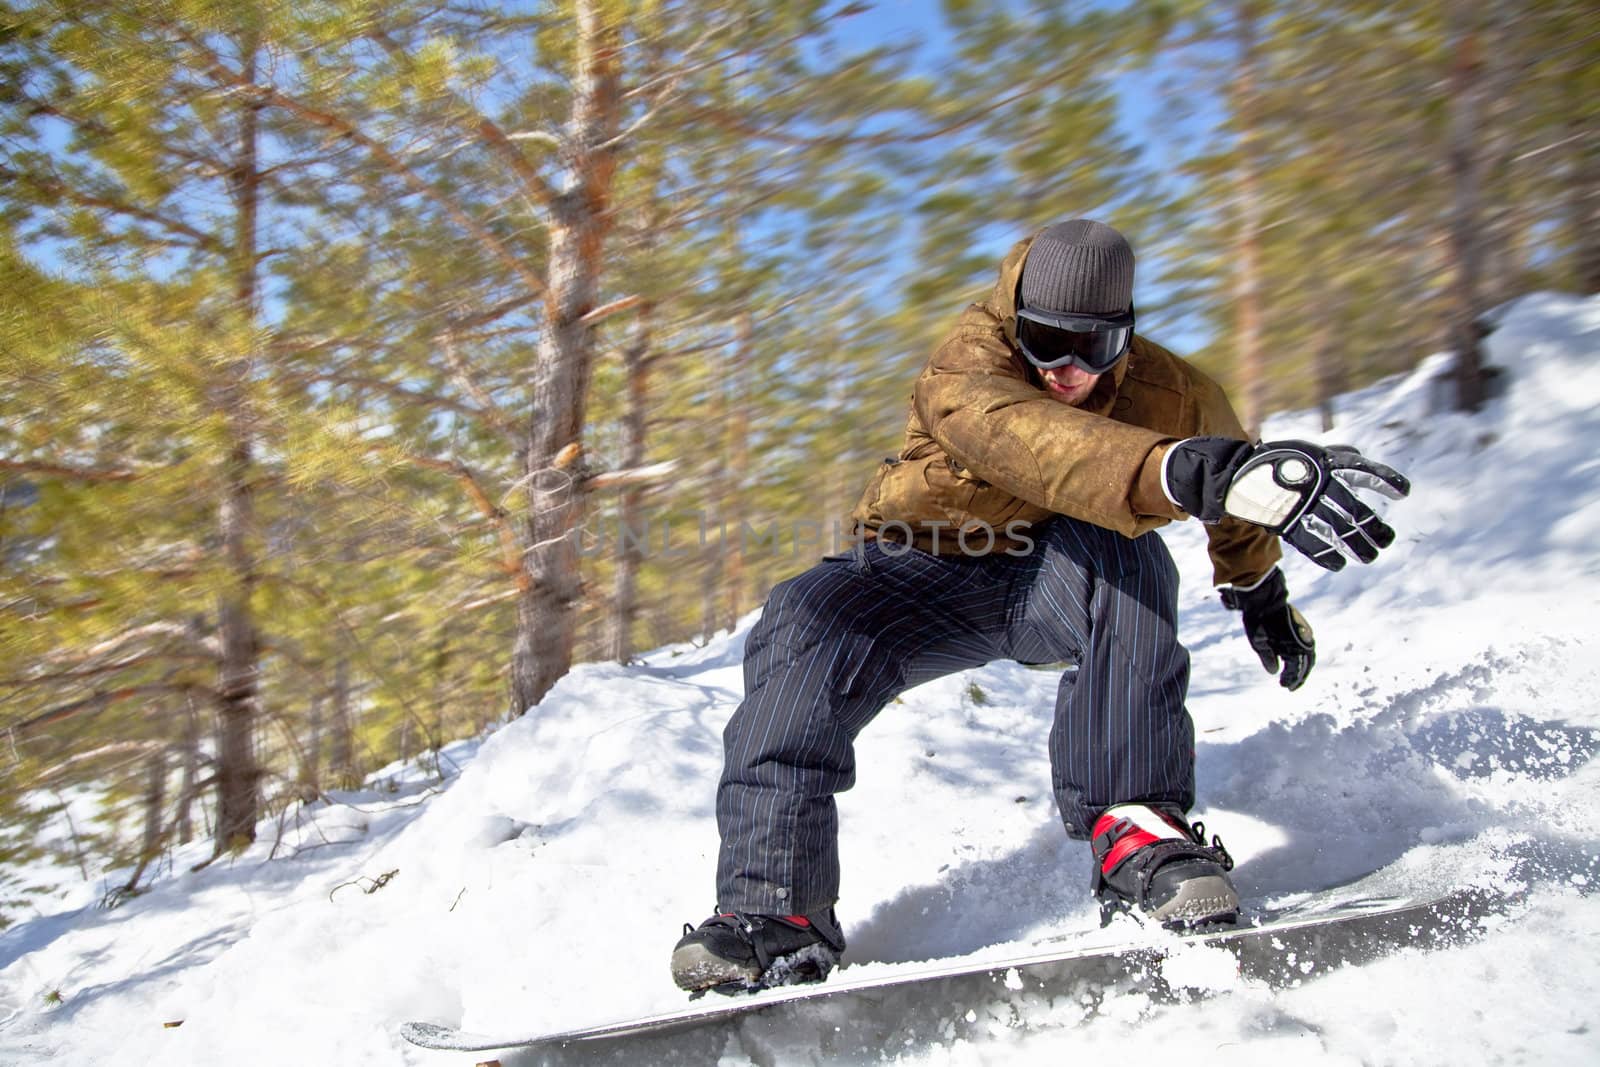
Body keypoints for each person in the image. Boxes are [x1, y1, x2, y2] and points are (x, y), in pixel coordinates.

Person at [670, 219, 1410, 996]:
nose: (1064, 369)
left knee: (1129, 552)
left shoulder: (1177, 392)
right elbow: (1031, 440)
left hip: (1047, 581)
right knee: (802, 614)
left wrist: (1256, 586)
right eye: (1045, 341)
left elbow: (1233, 487)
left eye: (1092, 349)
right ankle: (775, 911)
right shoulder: (968, 360)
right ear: (1015, 318)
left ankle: (1138, 835)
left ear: (1126, 333)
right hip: (915, 574)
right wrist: (1167, 468)